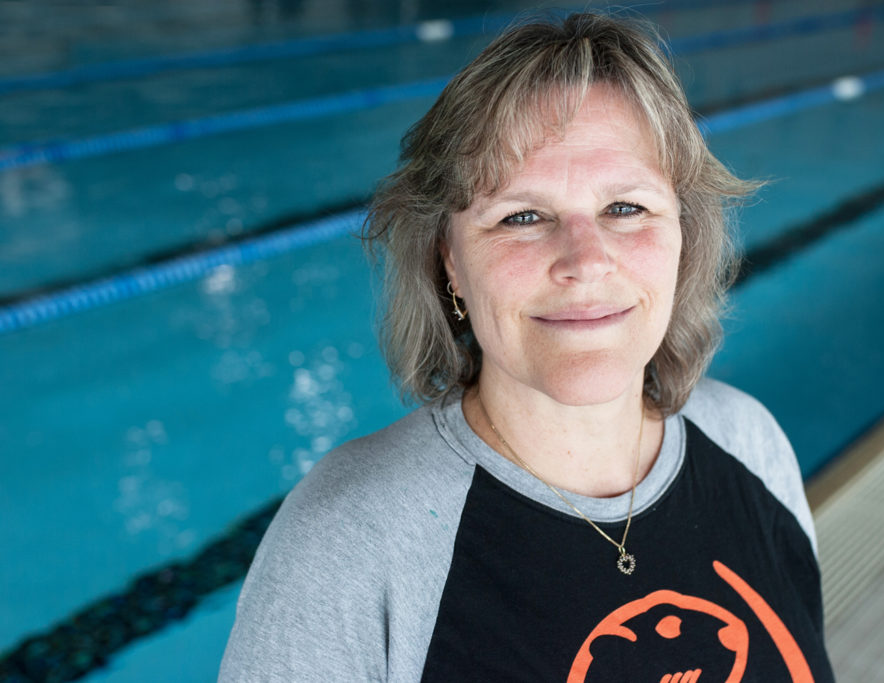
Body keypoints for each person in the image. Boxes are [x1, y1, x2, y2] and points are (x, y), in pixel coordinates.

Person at [220, 12, 833, 682]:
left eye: (625, 207)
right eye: (522, 216)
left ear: (683, 236)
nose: (585, 260)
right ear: (448, 259)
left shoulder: (748, 443)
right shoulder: (351, 543)